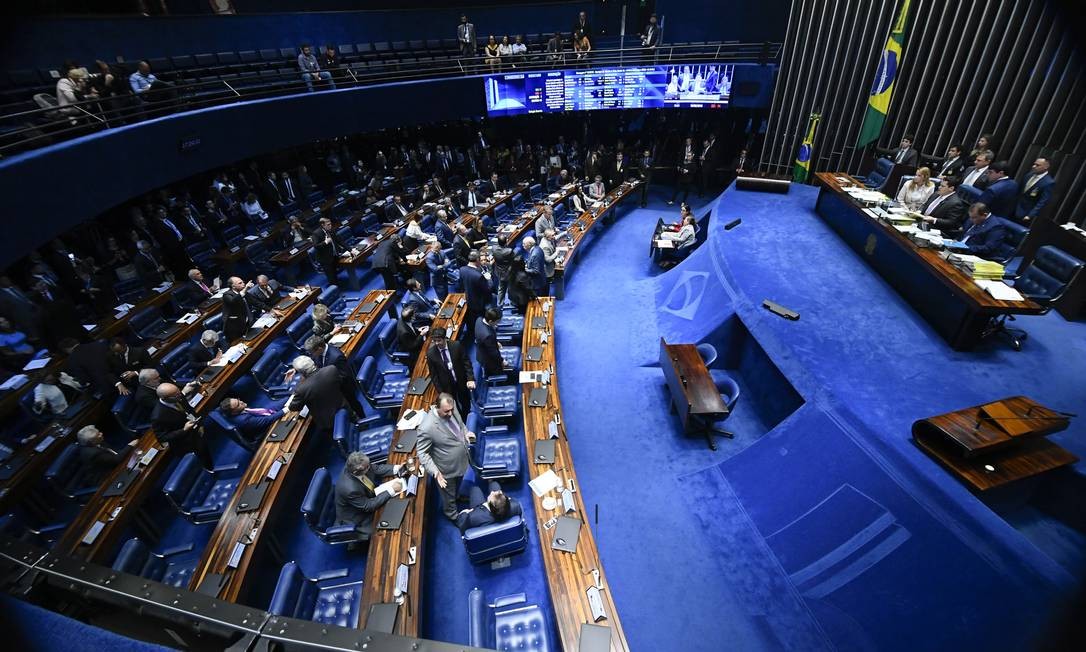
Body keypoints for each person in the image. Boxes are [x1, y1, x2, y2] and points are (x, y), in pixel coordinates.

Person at [418, 392, 475, 520]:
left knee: (457, 486)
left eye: (451, 410)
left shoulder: (451, 405)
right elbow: (422, 453)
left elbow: (460, 425)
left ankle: (457, 496)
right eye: (446, 411)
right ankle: (453, 515)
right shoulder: (427, 427)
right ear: (437, 407)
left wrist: (466, 433)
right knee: (448, 496)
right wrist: (435, 472)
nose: (450, 413)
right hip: (446, 470)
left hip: (460, 462)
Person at [335, 451, 405, 542]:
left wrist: (396, 468)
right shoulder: (350, 489)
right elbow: (368, 506)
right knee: (388, 530)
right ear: (356, 472)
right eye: (367, 467)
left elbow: (376, 468)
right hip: (358, 517)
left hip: (366, 498)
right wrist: (392, 490)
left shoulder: (357, 463)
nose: (370, 467)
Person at [151, 382, 214, 471]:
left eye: (179, 391)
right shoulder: (158, 416)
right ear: (165, 398)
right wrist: (184, 430)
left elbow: (189, 410)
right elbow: (162, 437)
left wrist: (199, 424)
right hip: (184, 443)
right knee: (199, 461)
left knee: (204, 451)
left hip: (195, 432)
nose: (180, 395)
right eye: (176, 395)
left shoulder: (178, 396)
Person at [303, 335, 367, 419]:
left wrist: (328, 382)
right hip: (334, 388)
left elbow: (344, 375)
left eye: (312, 353)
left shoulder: (336, 357)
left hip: (344, 387)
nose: (311, 355)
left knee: (353, 403)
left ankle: (363, 418)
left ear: (319, 349)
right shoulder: (318, 353)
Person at [286, 355, 346, 435]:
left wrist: (301, 382)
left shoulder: (302, 389)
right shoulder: (331, 369)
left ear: (302, 373)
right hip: (344, 408)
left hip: (328, 422)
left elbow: (294, 407)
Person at [425, 328, 475, 418]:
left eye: (439, 340)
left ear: (445, 338)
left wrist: (470, 378)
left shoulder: (456, 345)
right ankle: (459, 417)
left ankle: (467, 416)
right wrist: (441, 392)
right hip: (446, 386)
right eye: (435, 341)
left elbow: (466, 363)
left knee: (465, 401)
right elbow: (434, 375)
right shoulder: (431, 354)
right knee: (453, 406)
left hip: (461, 380)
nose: (437, 343)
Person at [456, 480, 521, 533]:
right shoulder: (516, 506)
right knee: (494, 484)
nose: (492, 492)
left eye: (491, 495)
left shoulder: (473, 517)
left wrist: (464, 513)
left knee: (475, 489)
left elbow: (461, 526)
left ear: (488, 505)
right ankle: (491, 481)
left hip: (480, 510)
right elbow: (511, 500)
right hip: (491, 514)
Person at [459, 250, 492, 343]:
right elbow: (488, 289)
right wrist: (489, 279)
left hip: (469, 299)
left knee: (473, 320)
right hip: (479, 302)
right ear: (477, 259)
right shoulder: (478, 275)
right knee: (481, 321)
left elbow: (461, 285)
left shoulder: (462, 269)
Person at [1015, 157, 1055, 224]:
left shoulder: (1048, 182)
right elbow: (1019, 191)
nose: (1033, 166)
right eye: (1034, 164)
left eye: (1037, 165)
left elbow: (1042, 201)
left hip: (1025, 214)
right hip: (1014, 208)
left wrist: (1030, 215)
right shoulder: (1028, 175)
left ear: (1046, 166)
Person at [311, 217, 345, 286]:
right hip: (325, 259)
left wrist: (351, 250)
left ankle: (337, 285)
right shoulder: (316, 233)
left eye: (330, 224)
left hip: (333, 255)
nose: (330, 226)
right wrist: (325, 242)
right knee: (331, 277)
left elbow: (339, 241)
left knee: (335, 273)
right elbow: (316, 246)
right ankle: (334, 290)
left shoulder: (330, 230)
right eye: (328, 225)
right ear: (322, 225)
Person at [221, 276, 253, 342]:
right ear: (233, 286)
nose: (243, 284)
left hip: (245, 323)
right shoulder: (227, 295)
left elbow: (255, 302)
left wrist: (270, 310)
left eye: (243, 282)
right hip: (233, 328)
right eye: (240, 283)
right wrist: (245, 289)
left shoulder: (243, 292)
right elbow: (233, 301)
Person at [474, 306, 505, 376]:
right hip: (488, 360)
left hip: (481, 352)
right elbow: (494, 354)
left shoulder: (479, 319)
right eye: (497, 322)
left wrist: (495, 342)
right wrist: (502, 361)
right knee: (499, 371)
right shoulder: (488, 336)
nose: (498, 324)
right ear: (490, 321)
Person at [491, 234, 515, 305]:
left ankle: (499, 303)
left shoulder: (494, 248)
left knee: (501, 288)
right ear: (506, 242)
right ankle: (512, 302)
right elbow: (514, 260)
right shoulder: (509, 251)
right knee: (511, 288)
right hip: (509, 272)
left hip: (499, 272)